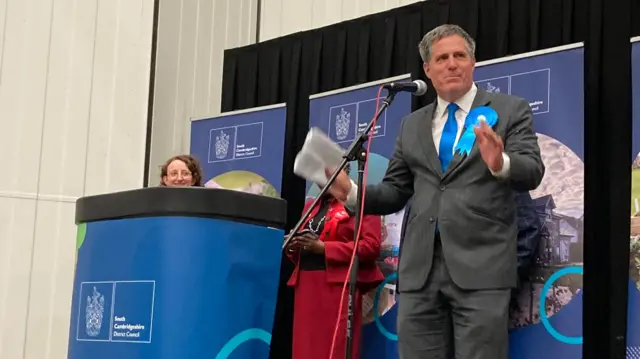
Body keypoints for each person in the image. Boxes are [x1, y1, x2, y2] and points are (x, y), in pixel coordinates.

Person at [326, 24, 544, 359]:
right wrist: (352, 193)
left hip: (482, 270)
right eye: (442, 58)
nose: (452, 64)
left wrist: (499, 162)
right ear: (428, 70)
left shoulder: (510, 109)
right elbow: (396, 191)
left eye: (460, 55)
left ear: (473, 63)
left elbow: (532, 171)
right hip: (419, 275)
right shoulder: (411, 125)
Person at [285, 165, 384, 359]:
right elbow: (303, 249)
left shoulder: (362, 201)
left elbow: (371, 246)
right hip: (306, 286)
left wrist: (324, 248)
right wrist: (294, 245)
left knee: (334, 350)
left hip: (337, 287)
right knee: (305, 349)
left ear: (343, 170)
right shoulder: (310, 206)